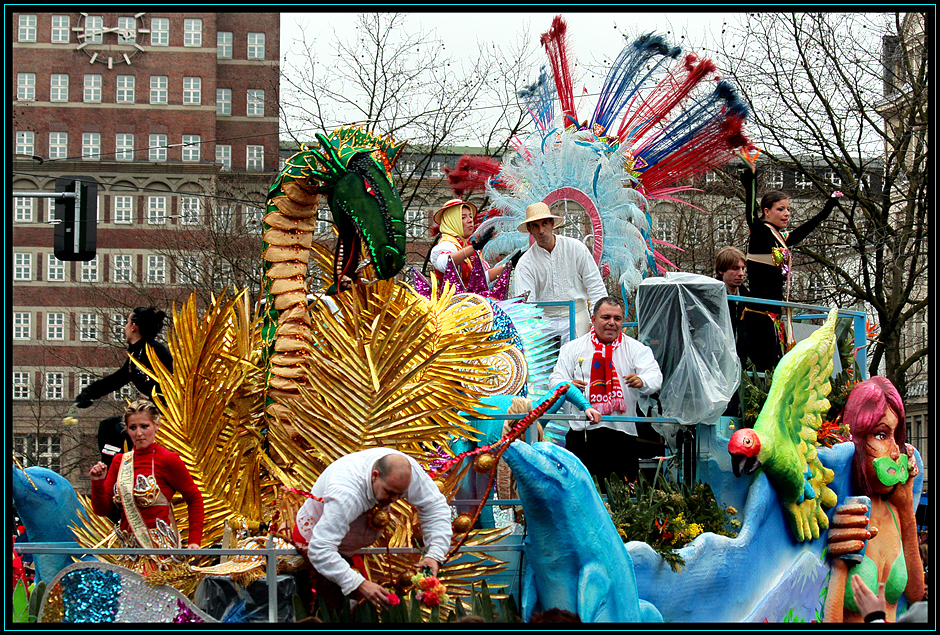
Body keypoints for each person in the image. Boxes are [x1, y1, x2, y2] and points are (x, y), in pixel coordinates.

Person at [293, 448, 452, 612]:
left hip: (349, 548)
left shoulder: (408, 471)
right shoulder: (347, 492)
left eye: (401, 494)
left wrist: (435, 554)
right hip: (313, 544)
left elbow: (435, 507)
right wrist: (359, 583)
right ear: (374, 476)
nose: (395, 500)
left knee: (360, 611)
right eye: (390, 492)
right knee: (329, 612)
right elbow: (320, 548)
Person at [824, 377, 925, 622]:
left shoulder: (894, 509)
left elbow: (915, 594)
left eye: (896, 436)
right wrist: (840, 567)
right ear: (857, 437)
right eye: (881, 435)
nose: (893, 451)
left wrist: (905, 508)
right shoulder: (842, 509)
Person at [548, 297, 662, 481]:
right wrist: (567, 386)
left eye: (617, 319)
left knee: (623, 498)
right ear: (593, 320)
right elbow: (555, 379)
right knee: (582, 495)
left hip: (623, 437)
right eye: (606, 317)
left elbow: (655, 377)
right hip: (582, 436)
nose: (612, 323)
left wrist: (642, 381)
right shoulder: (573, 348)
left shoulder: (636, 349)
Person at [740, 169, 843, 372]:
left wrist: (827, 209)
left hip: (774, 313)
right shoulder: (761, 231)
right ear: (767, 211)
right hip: (760, 313)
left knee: (776, 366)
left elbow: (801, 232)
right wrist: (750, 183)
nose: (787, 213)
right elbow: (751, 212)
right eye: (781, 209)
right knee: (767, 367)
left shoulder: (779, 237)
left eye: (788, 209)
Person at [89, 399, 204, 570]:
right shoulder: (120, 462)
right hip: (129, 557)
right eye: (133, 428)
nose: (139, 433)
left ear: (156, 425)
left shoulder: (167, 459)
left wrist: (194, 540)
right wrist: (97, 482)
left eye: (144, 426)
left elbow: (194, 498)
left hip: (160, 558)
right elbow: (102, 510)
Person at [74, 307, 174, 465]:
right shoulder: (136, 354)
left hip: (166, 417)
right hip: (152, 414)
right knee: (108, 427)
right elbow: (117, 379)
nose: (125, 327)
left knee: (116, 430)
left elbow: (174, 384)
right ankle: (112, 472)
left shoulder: (154, 351)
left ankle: (117, 472)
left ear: (134, 326)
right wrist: (88, 394)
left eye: (127, 322)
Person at [512, 202, 608, 345]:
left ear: (552, 224)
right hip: (545, 324)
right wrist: (534, 332)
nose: (541, 231)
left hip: (578, 318)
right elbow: (525, 303)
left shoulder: (576, 248)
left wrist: (598, 319)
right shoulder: (525, 263)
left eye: (544, 224)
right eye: (535, 226)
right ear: (529, 229)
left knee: (581, 363)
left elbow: (595, 286)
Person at [428, 199, 505, 286]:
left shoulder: (472, 250)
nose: (470, 220)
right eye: (463, 217)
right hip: (451, 299)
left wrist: (509, 265)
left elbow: (482, 279)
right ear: (451, 222)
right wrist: (472, 248)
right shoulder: (446, 245)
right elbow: (445, 264)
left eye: (471, 216)